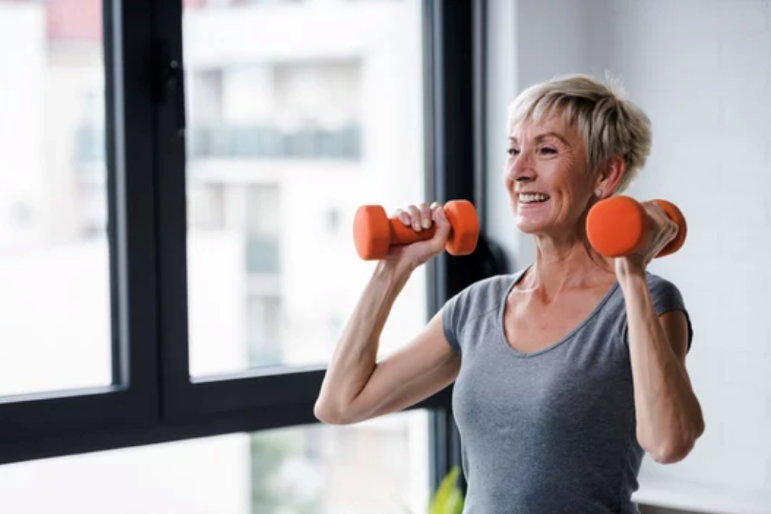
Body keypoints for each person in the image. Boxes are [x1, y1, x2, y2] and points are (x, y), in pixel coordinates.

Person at [314, 74, 705, 513]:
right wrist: (393, 269)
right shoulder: (476, 307)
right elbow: (340, 403)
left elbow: (670, 442)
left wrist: (630, 271)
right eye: (514, 150)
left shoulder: (647, 302)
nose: (519, 171)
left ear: (605, 173)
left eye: (547, 149)